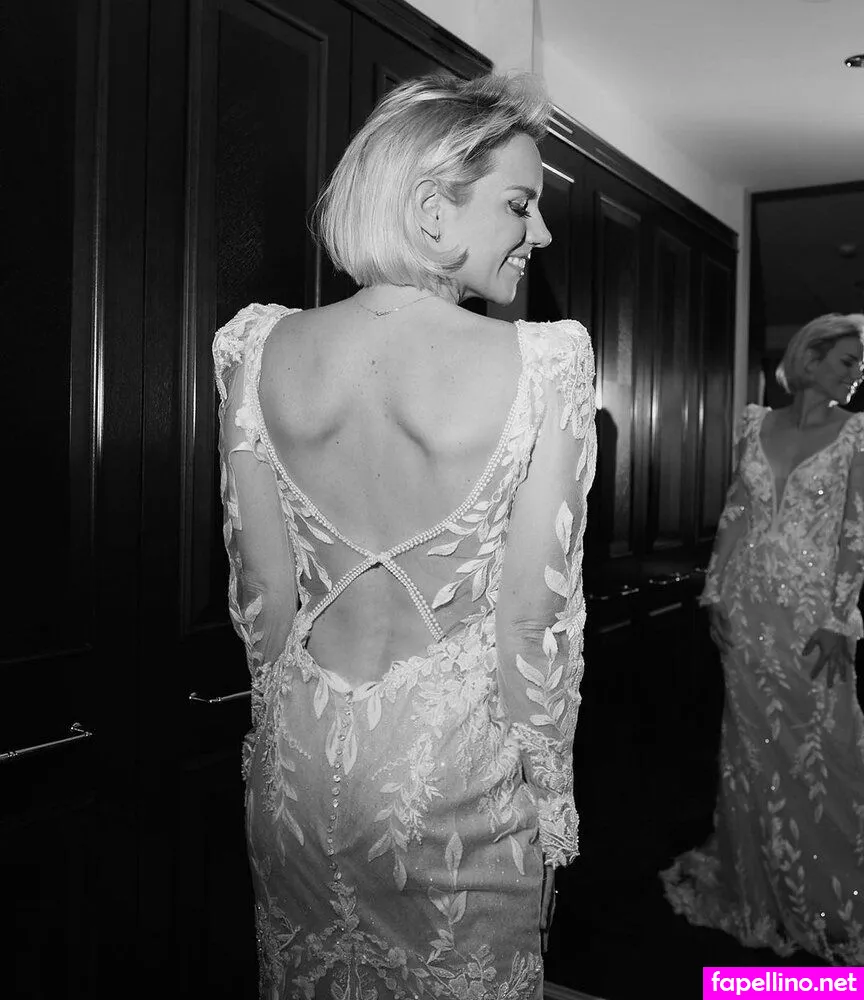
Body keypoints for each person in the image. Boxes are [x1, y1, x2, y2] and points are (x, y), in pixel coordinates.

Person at [212, 72, 597, 999]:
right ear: (432, 210)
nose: (541, 233)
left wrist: (280, 748)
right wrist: (551, 806)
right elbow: (532, 624)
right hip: (456, 780)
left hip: (301, 766)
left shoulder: (257, 350)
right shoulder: (545, 362)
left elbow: (262, 595)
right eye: (520, 204)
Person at [662, 312, 864, 964]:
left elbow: (855, 534)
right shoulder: (755, 424)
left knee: (824, 746)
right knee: (751, 750)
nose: (857, 373)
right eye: (847, 361)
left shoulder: (856, 434)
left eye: (860, 364)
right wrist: (715, 591)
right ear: (810, 358)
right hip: (747, 614)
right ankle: (759, 883)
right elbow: (736, 513)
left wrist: (840, 619)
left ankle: (831, 892)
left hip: (810, 620)